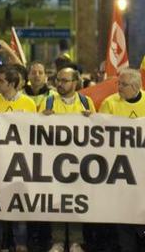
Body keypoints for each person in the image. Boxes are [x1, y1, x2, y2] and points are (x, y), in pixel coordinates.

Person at [99, 68, 145, 252]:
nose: (119, 87)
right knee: (124, 215)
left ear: (136, 86)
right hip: (120, 170)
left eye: (123, 84)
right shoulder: (110, 103)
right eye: (118, 83)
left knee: (144, 213)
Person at [40, 67, 91, 252]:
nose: (59, 84)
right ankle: (58, 240)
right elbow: (37, 129)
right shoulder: (49, 101)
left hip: (79, 160)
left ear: (75, 83)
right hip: (55, 160)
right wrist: (43, 118)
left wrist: (91, 119)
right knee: (57, 201)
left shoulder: (86, 102)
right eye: (58, 80)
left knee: (76, 201)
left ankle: (76, 241)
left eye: (64, 80)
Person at [0, 65, 34, 252]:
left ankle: (20, 243)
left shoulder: (29, 104)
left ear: (13, 83)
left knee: (18, 203)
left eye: (0, 81)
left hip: (20, 162)